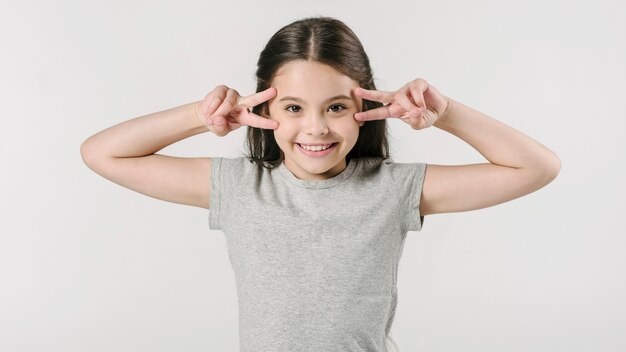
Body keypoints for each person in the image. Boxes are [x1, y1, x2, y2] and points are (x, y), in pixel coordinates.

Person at [80, 16, 560, 352]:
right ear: (263, 110)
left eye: (335, 106)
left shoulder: (391, 191)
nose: (316, 128)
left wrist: (447, 113)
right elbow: (102, 152)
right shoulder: (239, 186)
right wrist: (198, 116)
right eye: (293, 107)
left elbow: (536, 168)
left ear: (365, 107)